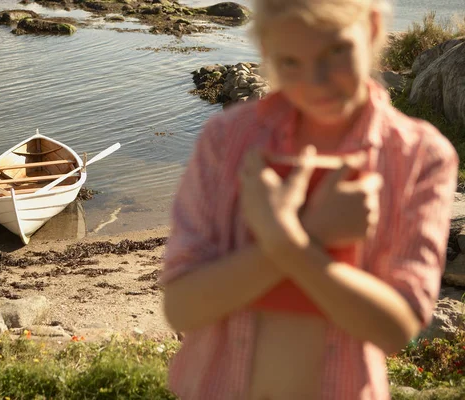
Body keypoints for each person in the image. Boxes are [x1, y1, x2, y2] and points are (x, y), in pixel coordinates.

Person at [160, 0, 459, 399]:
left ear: (371, 28)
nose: (316, 81)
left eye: (334, 51)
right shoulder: (227, 141)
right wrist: (309, 234)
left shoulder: (418, 157)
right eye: (289, 62)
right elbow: (181, 309)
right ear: (265, 52)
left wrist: (287, 240)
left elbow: (395, 328)